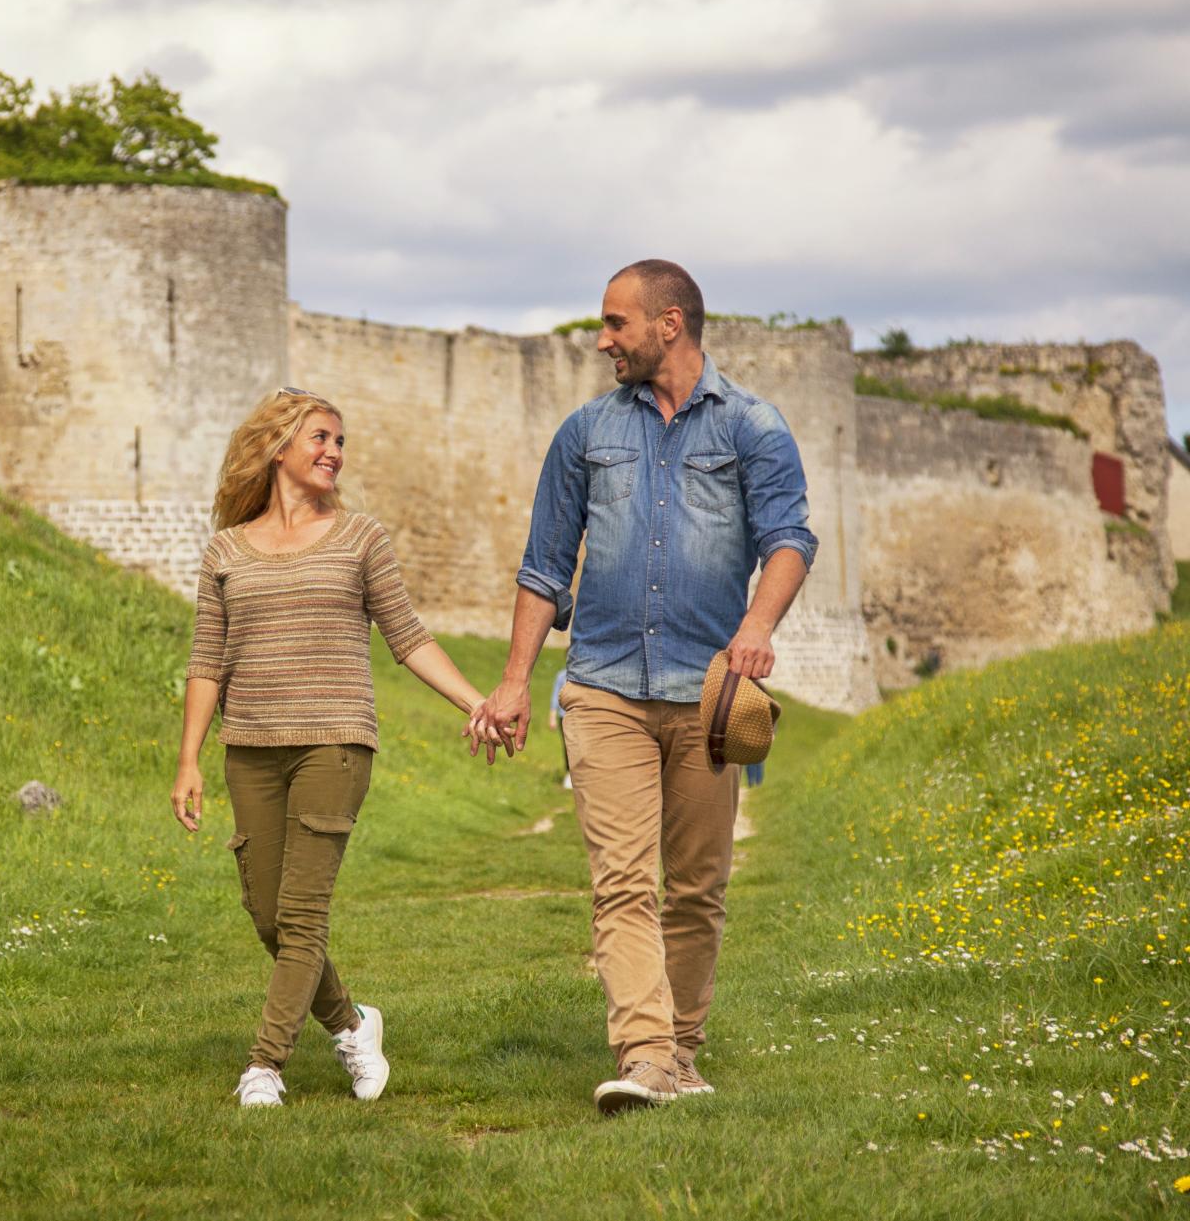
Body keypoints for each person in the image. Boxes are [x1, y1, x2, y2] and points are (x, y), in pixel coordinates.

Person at [467, 260, 817, 1115]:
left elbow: (790, 538)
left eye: (617, 323)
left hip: (709, 694)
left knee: (698, 886)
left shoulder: (753, 428)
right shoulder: (585, 431)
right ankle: (649, 1054)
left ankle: (682, 1048)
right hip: (602, 687)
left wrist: (757, 627)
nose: (602, 340)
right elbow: (544, 567)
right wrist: (514, 682)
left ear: (670, 324)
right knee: (623, 880)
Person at [171, 386, 495, 1108]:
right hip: (250, 744)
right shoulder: (225, 549)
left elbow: (407, 636)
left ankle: (265, 1066)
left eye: (340, 442)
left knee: (303, 914)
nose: (333, 452)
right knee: (266, 913)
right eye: (320, 437)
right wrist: (189, 758)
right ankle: (352, 1024)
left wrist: (476, 701)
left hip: (336, 742)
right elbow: (206, 660)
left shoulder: (361, 538)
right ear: (277, 446)